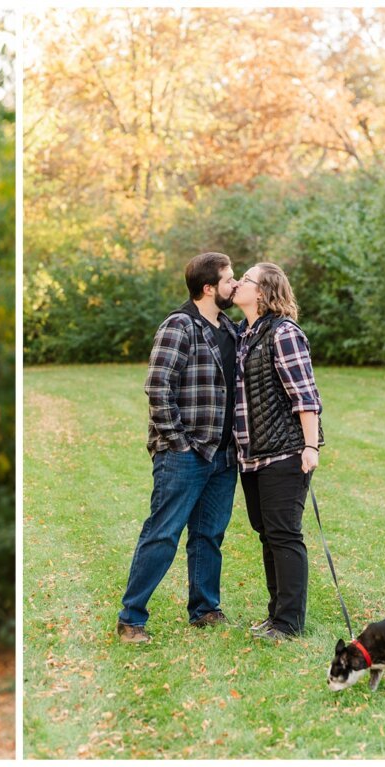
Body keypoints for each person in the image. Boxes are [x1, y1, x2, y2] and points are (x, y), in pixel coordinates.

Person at [116, 252, 240, 643]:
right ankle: (131, 618)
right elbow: (158, 386)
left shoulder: (230, 329)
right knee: (163, 533)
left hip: (223, 454)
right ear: (209, 287)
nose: (234, 285)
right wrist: (179, 443)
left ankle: (204, 609)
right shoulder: (179, 326)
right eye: (229, 279)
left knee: (209, 534)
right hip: (184, 453)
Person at [231, 262, 323, 641]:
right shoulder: (245, 334)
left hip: (284, 451)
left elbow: (305, 395)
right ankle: (275, 615)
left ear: (264, 292)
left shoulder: (283, 333)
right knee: (267, 534)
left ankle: (289, 623)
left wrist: (311, 446)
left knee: (284, 534)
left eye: (246, 280)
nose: (237, 283)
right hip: (252, 456)